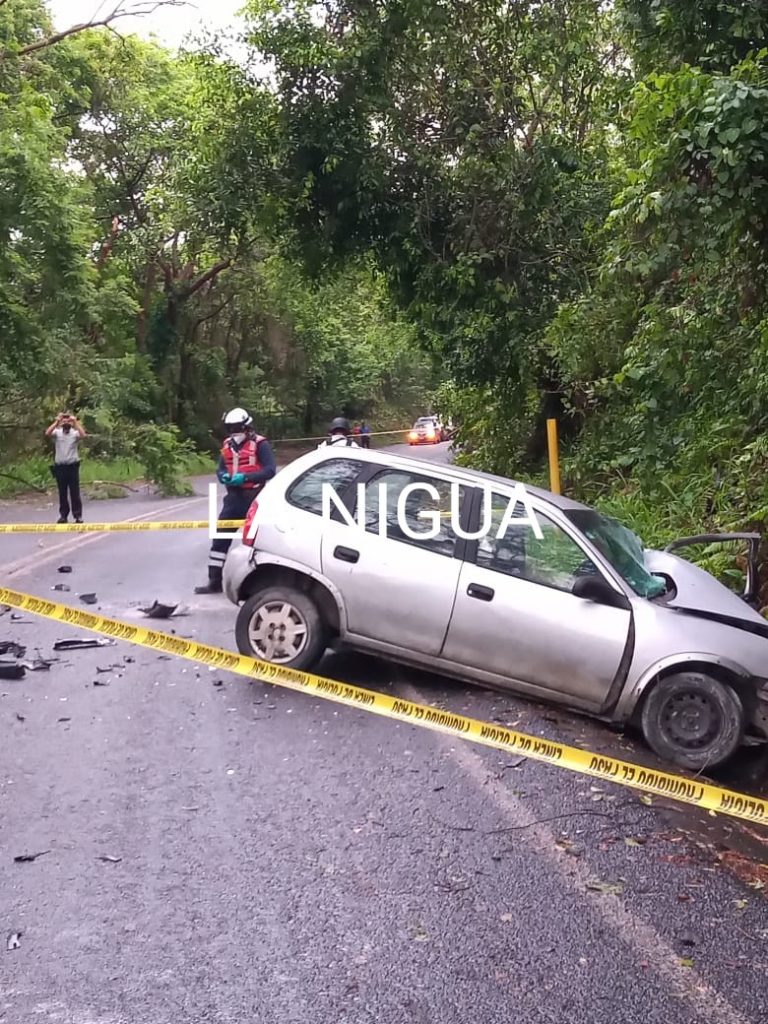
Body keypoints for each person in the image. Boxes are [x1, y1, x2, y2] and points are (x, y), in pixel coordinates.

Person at [194, 408, 276, 594]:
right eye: (230, 429)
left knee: (259, 539)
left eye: (237, 429)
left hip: (255, 496)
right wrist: (223, 475)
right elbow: (221, 468)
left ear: (247, 427)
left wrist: (246, 478)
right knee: (220, 538)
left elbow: (270, 470)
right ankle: (214, 580)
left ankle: (261, 582)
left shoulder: (260, 444)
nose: (234, 433)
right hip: (233, 498)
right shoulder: (227, 445)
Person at [45, 411, 86, 524]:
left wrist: (75, 422)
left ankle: (78, 516)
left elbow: (83, 435)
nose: (66, 422)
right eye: (65, 420)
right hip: (60, 467)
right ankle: (63, 516)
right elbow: (47, 433)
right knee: (62, 493)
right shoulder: (57, 433)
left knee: (74, 492)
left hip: (72, 466)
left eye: (68, 420)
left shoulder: (74, 433)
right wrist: (57, 421)